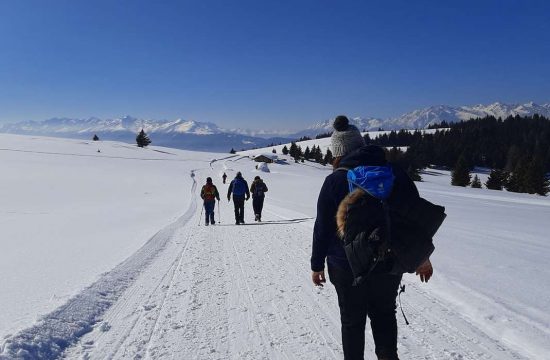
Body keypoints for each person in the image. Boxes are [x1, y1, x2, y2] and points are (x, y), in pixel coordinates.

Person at [311, 115, 433, 360]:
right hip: (389, 262)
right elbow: (414, 221)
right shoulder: (396, 174)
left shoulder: (335, 181)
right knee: (385, 316)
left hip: (345, 265)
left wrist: (316, 265)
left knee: (352, 323)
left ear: (338, 152)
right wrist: (423, 258)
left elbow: (323, 227)